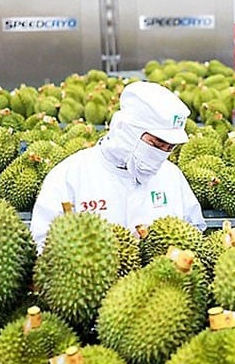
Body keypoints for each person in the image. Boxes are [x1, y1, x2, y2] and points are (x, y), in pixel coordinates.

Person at [30, 81, 206, 252]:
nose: (162, 153)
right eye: (156, 144)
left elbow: (194, 234)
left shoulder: (172, 176)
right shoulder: (69, 176)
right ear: (127, 131)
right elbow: (43, 245)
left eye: (170, 148)